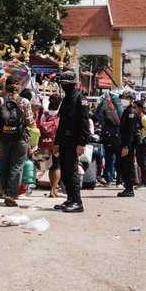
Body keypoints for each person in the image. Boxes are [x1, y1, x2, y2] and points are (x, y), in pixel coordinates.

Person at [0, 74, 35, 208]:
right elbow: (30, 122)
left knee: (5, 166)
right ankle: (11, 195)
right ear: (18, 87)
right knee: (17, 167)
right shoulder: (24, 102)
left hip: (2, 138)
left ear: (6, 87)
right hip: (20, 139)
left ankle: (7, 192)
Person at [52, 70, 90, 213]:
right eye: (62, 84)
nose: (63, 86)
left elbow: (84, 123)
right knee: (66, 172)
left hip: (74, 142)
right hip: (64, 141)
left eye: (66, 84)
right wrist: (57, 143)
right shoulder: (66, 99)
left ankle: (77, 202)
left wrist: (82, 143)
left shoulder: (81, 99)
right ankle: (70, 198)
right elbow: (61, 124)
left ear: (73, 84)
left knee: (71, 171)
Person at [116, 95, 141, 197]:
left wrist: (126, 146)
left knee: (128, 165)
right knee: (122, 165)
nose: (123, 100)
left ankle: (130, 189)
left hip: (128, 143)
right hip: (124, 142)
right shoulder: (126, 111)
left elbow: (130, 131)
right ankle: (127, 186)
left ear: (130, 100)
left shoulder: (131, 113)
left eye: (125, 98)